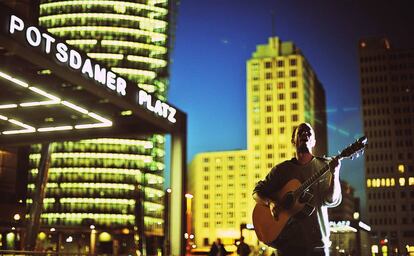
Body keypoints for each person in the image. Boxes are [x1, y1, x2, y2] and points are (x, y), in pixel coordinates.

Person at [252, 122, 342, 256]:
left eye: (308, 132)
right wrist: (270, 203)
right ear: (293, 141)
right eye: (300, 132)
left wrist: (335, 174)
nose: (305, 134)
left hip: (317, 245)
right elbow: (256, 193)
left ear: (314, 142)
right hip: (287, 247)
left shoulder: (325, 166)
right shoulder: (281, 170)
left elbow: (331, 200)